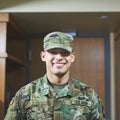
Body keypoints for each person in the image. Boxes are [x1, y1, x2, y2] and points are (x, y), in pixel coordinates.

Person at [4, 31, 106, 120]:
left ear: (72, 57)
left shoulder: (89, 95)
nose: (59, 57)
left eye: (64, 53)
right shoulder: (25, 94)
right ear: (43, 56)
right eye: (53, 52)